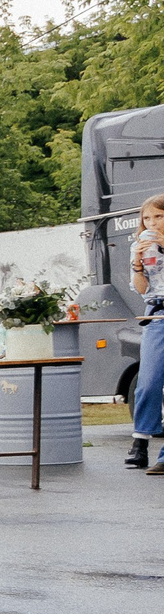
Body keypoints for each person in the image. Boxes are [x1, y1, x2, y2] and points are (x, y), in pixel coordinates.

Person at [128, 194, 164, 473]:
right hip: (156, 315)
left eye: (159, 216)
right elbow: (141, 288)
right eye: (147, 218)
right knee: (148, 381)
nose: (152, 223)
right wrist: (138, 263)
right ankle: (140, 444)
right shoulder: (139, 245)